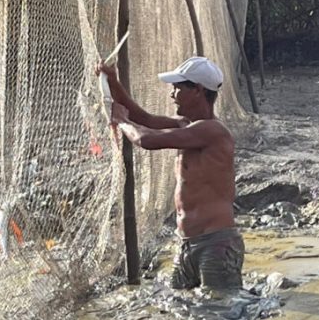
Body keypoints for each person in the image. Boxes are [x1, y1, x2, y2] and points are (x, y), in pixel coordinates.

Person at [95, 56, 244, 290]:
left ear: (197, 90)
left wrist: (120, 122)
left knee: (220, 314)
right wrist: (113, 82)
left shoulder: (212, 130)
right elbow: (143, 119)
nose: (172, 94)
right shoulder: (187, 123)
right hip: (188, 244)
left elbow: (147, 139)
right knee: (183, 312)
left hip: (215, 245)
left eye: (177, 87)